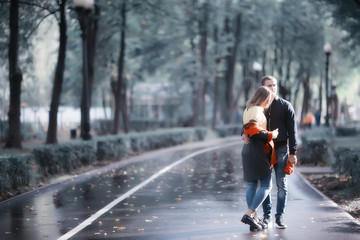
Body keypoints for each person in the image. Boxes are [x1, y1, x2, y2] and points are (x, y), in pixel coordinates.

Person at [243, 75, 298, 229]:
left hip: (280, 149)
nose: (273, 88)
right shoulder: (258, 106)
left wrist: (293, 152)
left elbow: (293, 131)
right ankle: (266, 217)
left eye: (274, 85)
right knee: (264, 185)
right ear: (262, 88)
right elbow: (248, 125)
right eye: (269, 86)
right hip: (263, 150)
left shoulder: (285, 105)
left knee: (281, 185)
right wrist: (243, 134)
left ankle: (279, 217)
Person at [241, 86, 279, 231]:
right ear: (264, 98)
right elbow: (254, 131)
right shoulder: (257, 110)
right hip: (258, 150)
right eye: (268, 99)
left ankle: (255, 219)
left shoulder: (247, 109)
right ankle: (249, 214)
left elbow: (245, 130)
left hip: (247, 149)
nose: (269, 102)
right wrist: (271, 134)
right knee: (266, 185)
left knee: (251, 184)